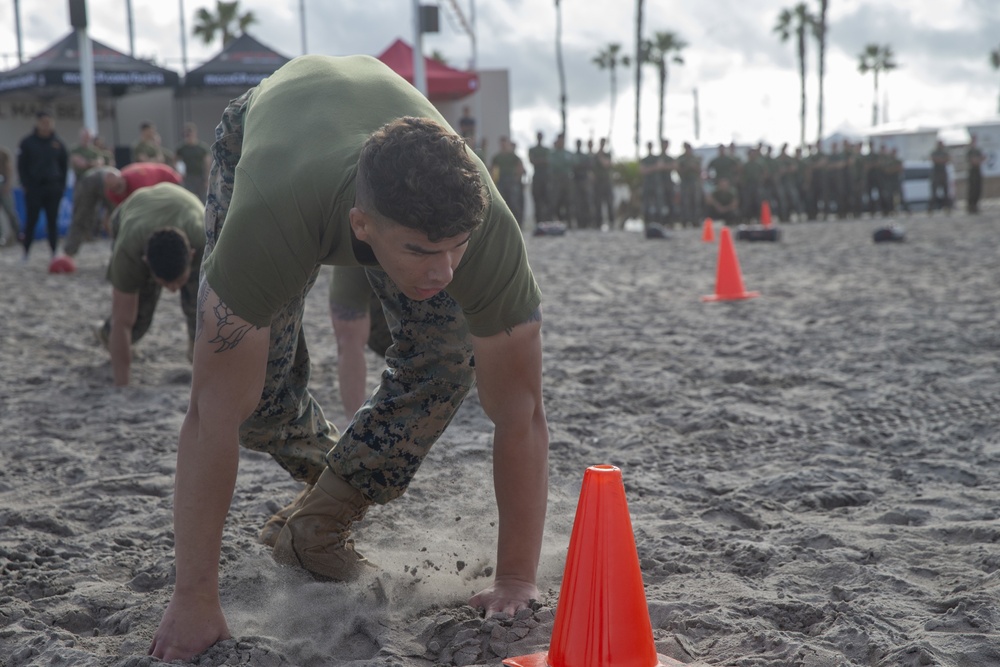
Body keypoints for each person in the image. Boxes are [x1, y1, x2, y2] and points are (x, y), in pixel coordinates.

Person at [149, 54, 548, 663]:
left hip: (389, 162)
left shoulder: (485, 230)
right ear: (362, 227)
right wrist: (194, 597)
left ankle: (319, 520)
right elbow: (210, 416)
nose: (443, 272)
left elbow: (522, 414)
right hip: (271, 136)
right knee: (255, 401)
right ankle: (323, 487)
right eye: (421, 251)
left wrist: (516, 578)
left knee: (447, 360)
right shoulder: (273, 217)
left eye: (454, 250)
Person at [94, 182, 204, 386]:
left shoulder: (204, 239)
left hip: (186, 208)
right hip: (131, 212)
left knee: (199, 311)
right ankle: (104, 333)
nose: (172, 291)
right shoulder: (129, 252)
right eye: (164, 283)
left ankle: (195, 356)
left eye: (178, 281)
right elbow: (122, 322)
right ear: (145, 263)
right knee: (137, 320)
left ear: (191, 255)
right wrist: (122, 386)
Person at [327, 265, 392, 421]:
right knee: (348, 332)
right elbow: (348, 336)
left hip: (439, 331)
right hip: (386, 334)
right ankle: (356, 425)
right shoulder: (357, 250)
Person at [17, 109, 69, 259]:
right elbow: (21, 166)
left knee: (52, 221)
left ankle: (54, 251)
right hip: (34, 188)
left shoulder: (58, 143)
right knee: (31, 221)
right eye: (43, 122)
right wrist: (26, 184)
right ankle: (26, 252)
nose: (46, 125)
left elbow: (64, 165)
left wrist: (62, 185)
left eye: (49, 122)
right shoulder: (27, 142)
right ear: (37, 123)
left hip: (53, 187)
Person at [62, 165, 117, 258]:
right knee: (81, 217)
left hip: (93, 179)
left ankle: (69, 253)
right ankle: (69, 252)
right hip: (92, 179)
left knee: (80, 218)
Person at [104, 162, 183, 207]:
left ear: (122, 179)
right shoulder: (111, 193)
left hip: (169, 179)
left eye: (119, 186)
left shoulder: (139, 182)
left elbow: (150, 204)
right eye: (114, 189)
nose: (118, 191)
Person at [174, 122, 212, 202]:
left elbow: (207, 163)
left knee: (203, 198)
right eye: (187, 134)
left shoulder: (202, 148)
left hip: (200, 177)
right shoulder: (182, 148)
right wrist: (180, 172)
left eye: (191, 133)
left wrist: (207, 178)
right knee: (190, 197)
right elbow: (176, 161)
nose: (190, 136)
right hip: (188, 177)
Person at [0, 145, 22, 247]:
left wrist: (8, 184)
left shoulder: (3, 153)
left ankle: (18, 234)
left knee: (10, 211)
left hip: (3, 185)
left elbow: (9, 169)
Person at [528, 131, 551, 223]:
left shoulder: (546, 150)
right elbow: (532, 161)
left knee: (547, 200)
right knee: (537, 200)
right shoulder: (532, 149)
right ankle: (538, 221)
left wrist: (538, 160)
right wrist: (541, 160)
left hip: (546, 177)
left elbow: (548, 161)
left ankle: (547, 221)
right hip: (537, 177)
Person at [929, 140, 951, 214]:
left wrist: (941, 160)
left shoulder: (944, 152)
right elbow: (935, 160)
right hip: (936, 174)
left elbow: (948, 159)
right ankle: (930, 209)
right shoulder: (935, 152)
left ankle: (947, 208)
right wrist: (941, 160)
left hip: (943, 173)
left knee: (946, 192)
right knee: (934, 193)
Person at [966, 134, 984, 214]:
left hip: (978, 171)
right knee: (972, 190)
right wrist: (977, 160)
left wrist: (977, 160)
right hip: (972, 171)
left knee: (978, 189)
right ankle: (971, 206)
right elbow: (972, 161)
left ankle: (975, 205)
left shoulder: (978, 150)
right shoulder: (970, 151)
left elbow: (982, 158)